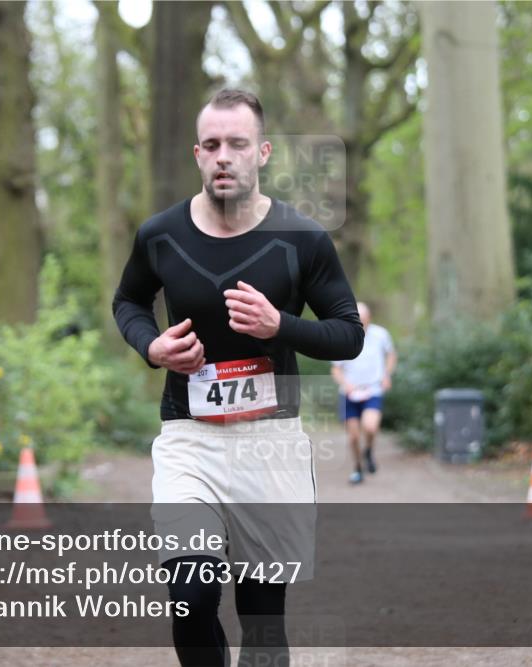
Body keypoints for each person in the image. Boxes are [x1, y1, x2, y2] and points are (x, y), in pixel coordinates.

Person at [113, 88, 363, 666]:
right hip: (189, 438)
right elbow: (127, 301)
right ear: (196, 154)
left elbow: (348, 333)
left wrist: (281, 326)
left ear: (264, 152)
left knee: (261, 621)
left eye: (237, 144)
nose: (223, 155)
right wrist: (152, 346)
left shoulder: (303, 238)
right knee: (190, 598)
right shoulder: (160, 235)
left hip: (270, 445)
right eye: (212, 144)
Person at [331, 302, 396, 484]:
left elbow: (391, 355)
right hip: (350, 393)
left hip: (373, 389)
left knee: (370, 427)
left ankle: (368, 450)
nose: (361, 323)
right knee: (353, 436)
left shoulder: (381, 335)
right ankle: (358, 468)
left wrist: (386, 375)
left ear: (369, 318)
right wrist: (346, 383)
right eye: (357, 320)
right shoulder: (343, 338)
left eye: (364, 320)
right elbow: (335, 370)